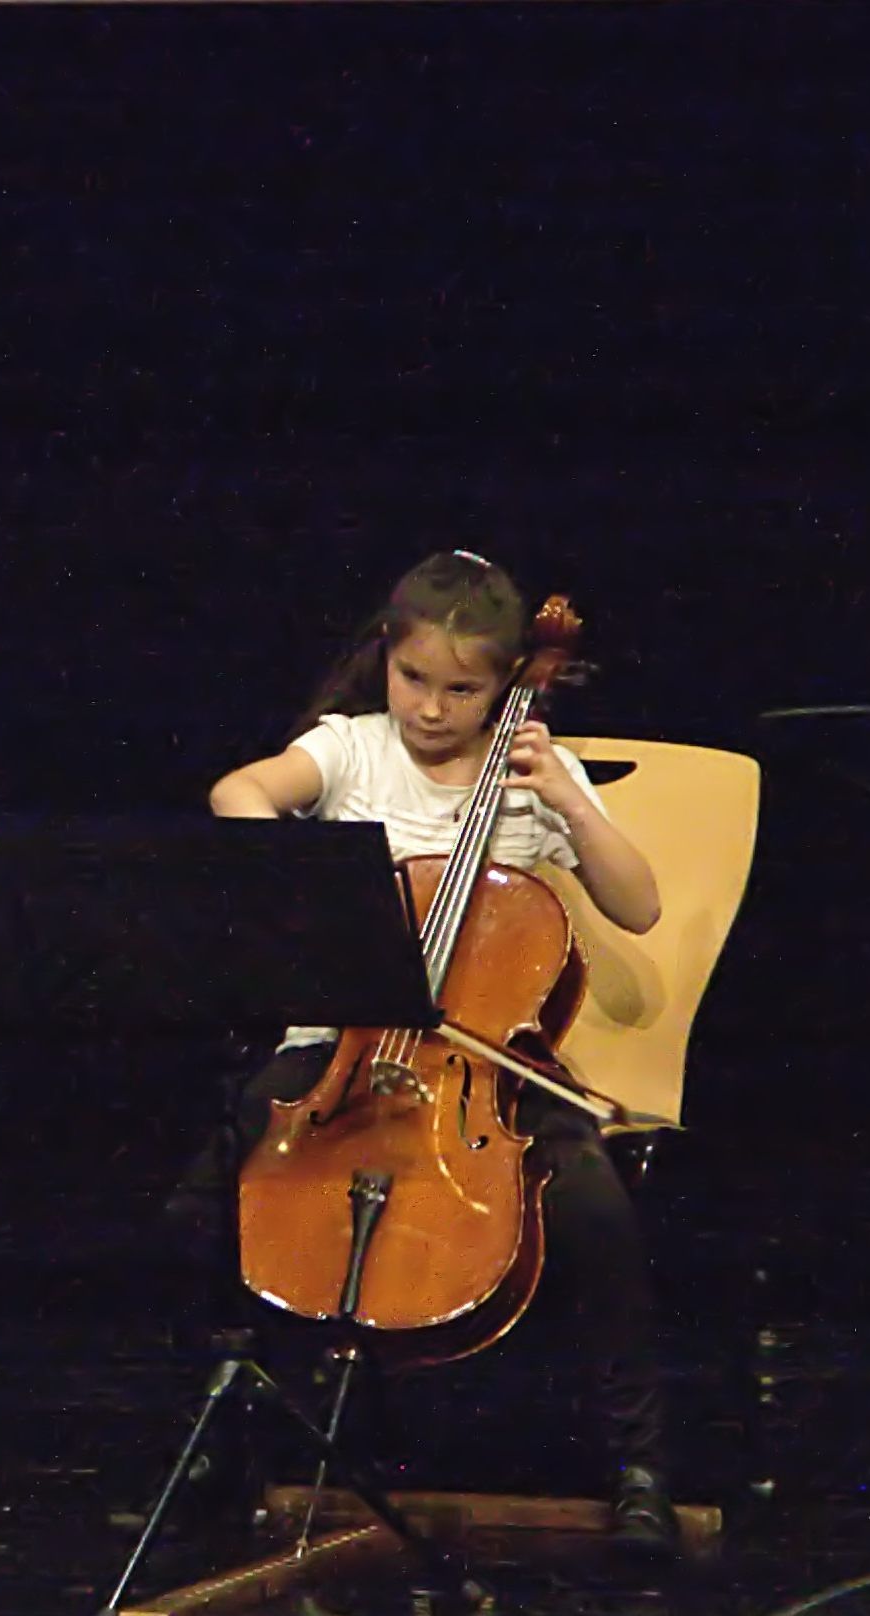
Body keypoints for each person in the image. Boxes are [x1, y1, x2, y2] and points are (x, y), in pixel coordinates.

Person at [202, 549, 677, 1554]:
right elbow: (234, 794)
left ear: (507, 680)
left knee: (593, 1202)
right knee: (206, 1194)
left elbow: (638, 902)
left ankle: (639, 1466)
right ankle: (229, 1447)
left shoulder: (532, 774)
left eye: (461, 689)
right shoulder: (350, 750)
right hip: (340, 1049)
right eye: (414, 679)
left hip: (485, 1072)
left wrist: (569, 801)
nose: (430, 708)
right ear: (386, 658)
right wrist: (309, 877)